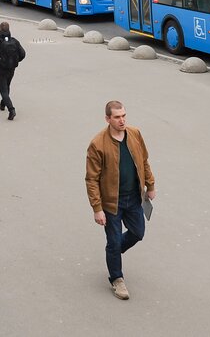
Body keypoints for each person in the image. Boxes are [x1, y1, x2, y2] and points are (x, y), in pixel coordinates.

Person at [85, 101, 156, 301]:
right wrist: (97, 209)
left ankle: (114, 251)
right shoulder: (97, 144)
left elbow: (144, 161)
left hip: (134, 197)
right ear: (108, 119)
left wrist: (150, 185)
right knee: (114, 241)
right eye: (117, 117)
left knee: (138, 233)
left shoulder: (135, 133)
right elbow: (91, 179)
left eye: (124, 115)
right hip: (111, 203)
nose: (122, 120)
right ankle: (117, 278)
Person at [0, 21, 26, 120]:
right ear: (9, 30)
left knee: (3, 89)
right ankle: (2, 104)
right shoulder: (14, 41)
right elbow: (23, 54)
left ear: (0, 29)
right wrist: (15, 62)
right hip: (11, 68)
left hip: (0, 69)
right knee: (7, 86)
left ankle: (11, 109)